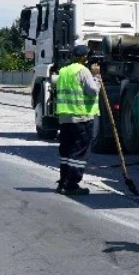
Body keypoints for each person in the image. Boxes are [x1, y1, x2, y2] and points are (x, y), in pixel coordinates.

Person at [55, 44, 101, 196]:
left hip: (65, 118)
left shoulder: (63, 71)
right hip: (81, 118)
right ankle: (72, 184)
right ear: (84, 58)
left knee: (66, 151)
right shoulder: (84, 71)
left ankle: (63, 181)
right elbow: (93, 91)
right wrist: (97, 77)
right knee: (79, 153)